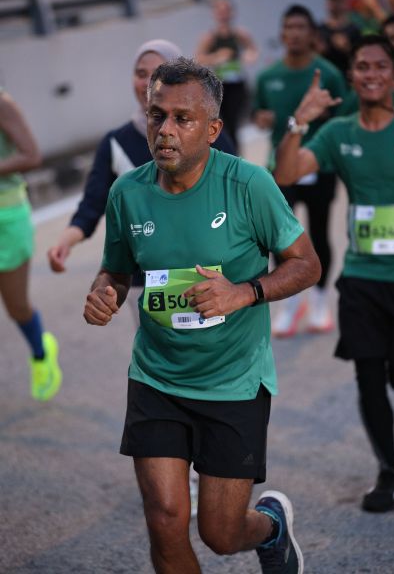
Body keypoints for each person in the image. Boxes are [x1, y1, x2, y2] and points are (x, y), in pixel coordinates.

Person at [83, 57, 321, 573]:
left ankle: (272, 528)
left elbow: (306, 264)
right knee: (165, 519)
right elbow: (116, 271)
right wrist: (104, 293)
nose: (165, 129)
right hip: (156, 377)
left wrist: (245, 292)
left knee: (221, 533)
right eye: (157, 115)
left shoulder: (248, 184)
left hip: (233, 382)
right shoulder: (128, 192)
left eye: (182, 118)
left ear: (212, 129)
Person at [274, 35, 394, 513]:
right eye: (362, 66)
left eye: (380, 66)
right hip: (362, 278)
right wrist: (299, 121)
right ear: (351, 77)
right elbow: (287, 174)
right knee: (368, 377)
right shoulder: (339, 132)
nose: (371, 74)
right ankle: (389, 470)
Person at [47, 39, 235, 286]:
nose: (148, 83)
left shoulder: (206, 134)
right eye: (141, 74)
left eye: (158, 74)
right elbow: (91, 207)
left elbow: (234, 198)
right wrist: (64, 243)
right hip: (143, 281)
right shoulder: (116, 143)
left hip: (206, 273)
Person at [253, 4, 347, 337]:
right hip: (281, 169)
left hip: (319, 166)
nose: (294, 33)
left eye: (300, 27)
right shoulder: (267, 77)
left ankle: (320, 301)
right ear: (282, 34)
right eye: (288, 27)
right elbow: (259, 113)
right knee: (280, 240)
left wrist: (323, 115)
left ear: (312, 34)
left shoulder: (328, 74)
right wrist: (261, 118)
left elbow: (344, 117)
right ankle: (291, 303)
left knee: (318, 233)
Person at [0, 89, 62, 401]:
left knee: (17, 307)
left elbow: (31, 155)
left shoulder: (2, 103)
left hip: (6, 218)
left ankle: (41, 352)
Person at [195, 0, 259, 152]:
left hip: (237, 85)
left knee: (233, 124)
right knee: (221, 124)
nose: (223, 14)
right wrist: (216, 57)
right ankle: (226, 153)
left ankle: (234, 155)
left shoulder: (239, 34)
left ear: (232, 13)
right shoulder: (210, 37)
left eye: (226, 10)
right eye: (219, 11)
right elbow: (198, 59)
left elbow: (253, 50)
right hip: (219, 87)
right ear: (214, 14)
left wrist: (249, 56)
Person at [317, 0, 361, 79]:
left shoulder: (354, 29)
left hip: (347, 77)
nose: (334, 4)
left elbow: (360, 57)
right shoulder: (319, 29)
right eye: (331, 0)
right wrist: (318, 51)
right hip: (325, 77)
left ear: (345, 4)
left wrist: (346, 48)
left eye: (337, 1)